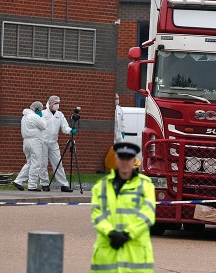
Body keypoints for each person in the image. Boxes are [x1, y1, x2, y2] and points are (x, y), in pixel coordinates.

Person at [90, 142, 156, 273]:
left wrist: (128, 234)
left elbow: (147, 215)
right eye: (121, 157)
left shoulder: (146, 186)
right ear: (116, 159)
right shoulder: (101, 186)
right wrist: (111, 233)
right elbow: (97, 215)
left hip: (135, 256)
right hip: (107, 258)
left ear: (135, 161)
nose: (125, 162)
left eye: (129, 158)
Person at [41, 95, 76, 192]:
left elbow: (64, 127)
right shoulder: (43, 113)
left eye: (58, 103)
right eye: (55, 103)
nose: (57, 105)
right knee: (43, 163)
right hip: (43, 142)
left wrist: (70, 130)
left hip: (53, 142)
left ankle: (64, 185)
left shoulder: (60, 115)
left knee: (58, 163)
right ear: (50, 103)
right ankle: (44, 183)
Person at [13, 101, 47, 191]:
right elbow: (43, 126)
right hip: (35, 142)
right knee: (36, 164)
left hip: (26, 141)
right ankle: (32, 185)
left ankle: (18, 181)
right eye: (40, 109)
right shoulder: (35, 116)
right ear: (37, 109)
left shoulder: (24, 117)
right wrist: (42, 117)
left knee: (29, 163)